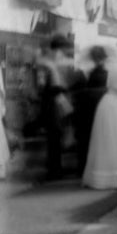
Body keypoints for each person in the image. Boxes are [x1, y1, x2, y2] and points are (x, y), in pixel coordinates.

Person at [82, 45, 117, 189]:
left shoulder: (114, 66)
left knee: (104, 139)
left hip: (106, 102)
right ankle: (115, 176)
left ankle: (100, 175)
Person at [36, 34, 84, 179]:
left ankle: (55, 167)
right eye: (64, 48)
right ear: (58, 48)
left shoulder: (54, 62)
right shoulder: (46, 63)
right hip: (53, 102)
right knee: (54, 135)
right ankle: (54, 169)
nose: (64, 52)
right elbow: (42, 85)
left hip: (59, 101)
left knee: (57, 135)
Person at [75, 45, 109, 175]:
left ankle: (84, 166)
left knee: (87, 138)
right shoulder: (104, 71)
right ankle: (90, 166)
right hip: (97, 106)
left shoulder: (87, 70)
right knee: (95, 137)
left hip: (88, 107)